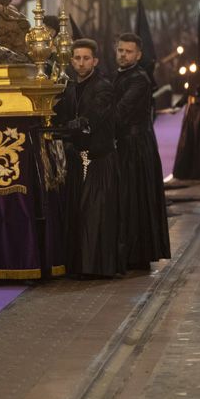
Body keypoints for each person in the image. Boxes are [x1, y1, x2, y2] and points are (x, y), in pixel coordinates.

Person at [64, 39, 123, 278]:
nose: (81, 63)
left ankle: (98, 267)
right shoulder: (67, 86)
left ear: (95, 61)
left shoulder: (103, 86)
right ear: (71, 61)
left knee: (96, 215)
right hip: (75, 159)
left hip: (99, 159)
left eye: (86, 58)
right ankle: (78, 266)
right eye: (77, 58)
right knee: (77, 213)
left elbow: (96, 114)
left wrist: (80, 124)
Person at [113, 33, 171, 270]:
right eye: (120, 51)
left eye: (128, 51)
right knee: (126, 200)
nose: (123, 55)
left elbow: (120, 111)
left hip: (136, 147)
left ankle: (137, 253)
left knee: (135, 198)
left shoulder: (139, 79)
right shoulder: (119, 76)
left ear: (138, 55)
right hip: (125, 144)